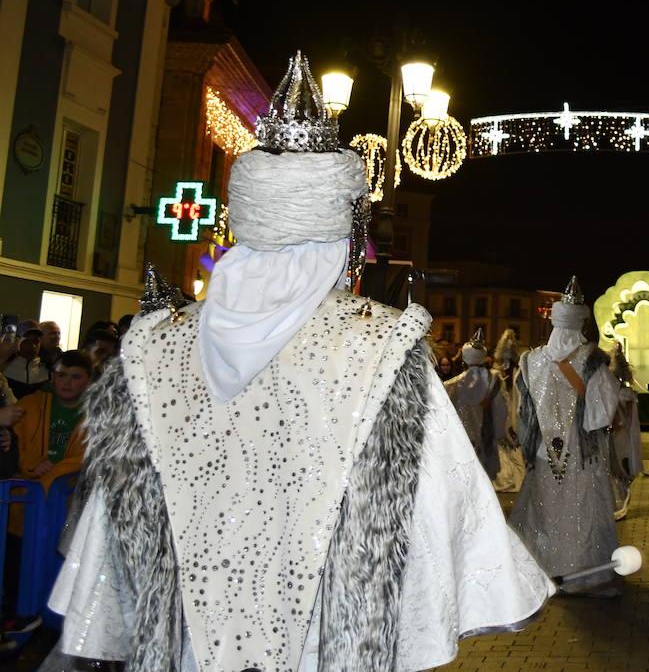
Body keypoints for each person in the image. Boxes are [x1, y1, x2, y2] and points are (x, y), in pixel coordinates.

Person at [47, 53, 552, 670]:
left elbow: (107, 533)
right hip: (325, 631)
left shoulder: (155, 344)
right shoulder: (381, 346)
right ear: (340, 233)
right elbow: (437, 502)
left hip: (182, 638)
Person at [509, 276, 622, 595]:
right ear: (581, 323)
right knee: (581, 512)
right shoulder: (594, 360)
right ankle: (584, 573)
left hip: (544, 456)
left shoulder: (529, 362)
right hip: (583, 457)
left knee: (544, 511)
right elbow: (603, 412)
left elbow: (523, 413)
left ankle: (541, 570)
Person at [10, 350, 90, 488]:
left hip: (70, 491)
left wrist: (54, 473)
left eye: (76, 377)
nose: (68, 382)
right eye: (62, 375)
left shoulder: (97, 416)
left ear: (89, 381)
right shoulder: (29, 405)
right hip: (27, 488)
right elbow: (12, 444)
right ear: (52, 376)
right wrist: (32, 464)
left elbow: (87, 459)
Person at [445, 328, 506, 481]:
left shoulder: (451, 385)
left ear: (464, 358)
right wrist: (500, 433)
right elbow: (501, 410)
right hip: (485, 435)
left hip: (461, 438)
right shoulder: (493, 380)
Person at [607, 341, 643, 520]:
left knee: (620, 469)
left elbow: (627, 419)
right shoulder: (625, 394)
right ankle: (616, 502)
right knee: (615, 470)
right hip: (617, 436)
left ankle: (620, 502)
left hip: (620, 436)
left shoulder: (624, 394)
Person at [492, 328, 526, 493]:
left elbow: (517, 399)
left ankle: (518, 481)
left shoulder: (517, 375)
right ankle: (511, 480)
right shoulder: (497, 376)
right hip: (502, 417)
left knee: (515, 451)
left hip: (514, 418)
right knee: (506, 452)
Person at [2, 328, 48, 398]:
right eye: (27, 341)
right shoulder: (5, 367)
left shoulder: (47, 369)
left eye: (36, 341)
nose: (33, 346)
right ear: (17, 342)